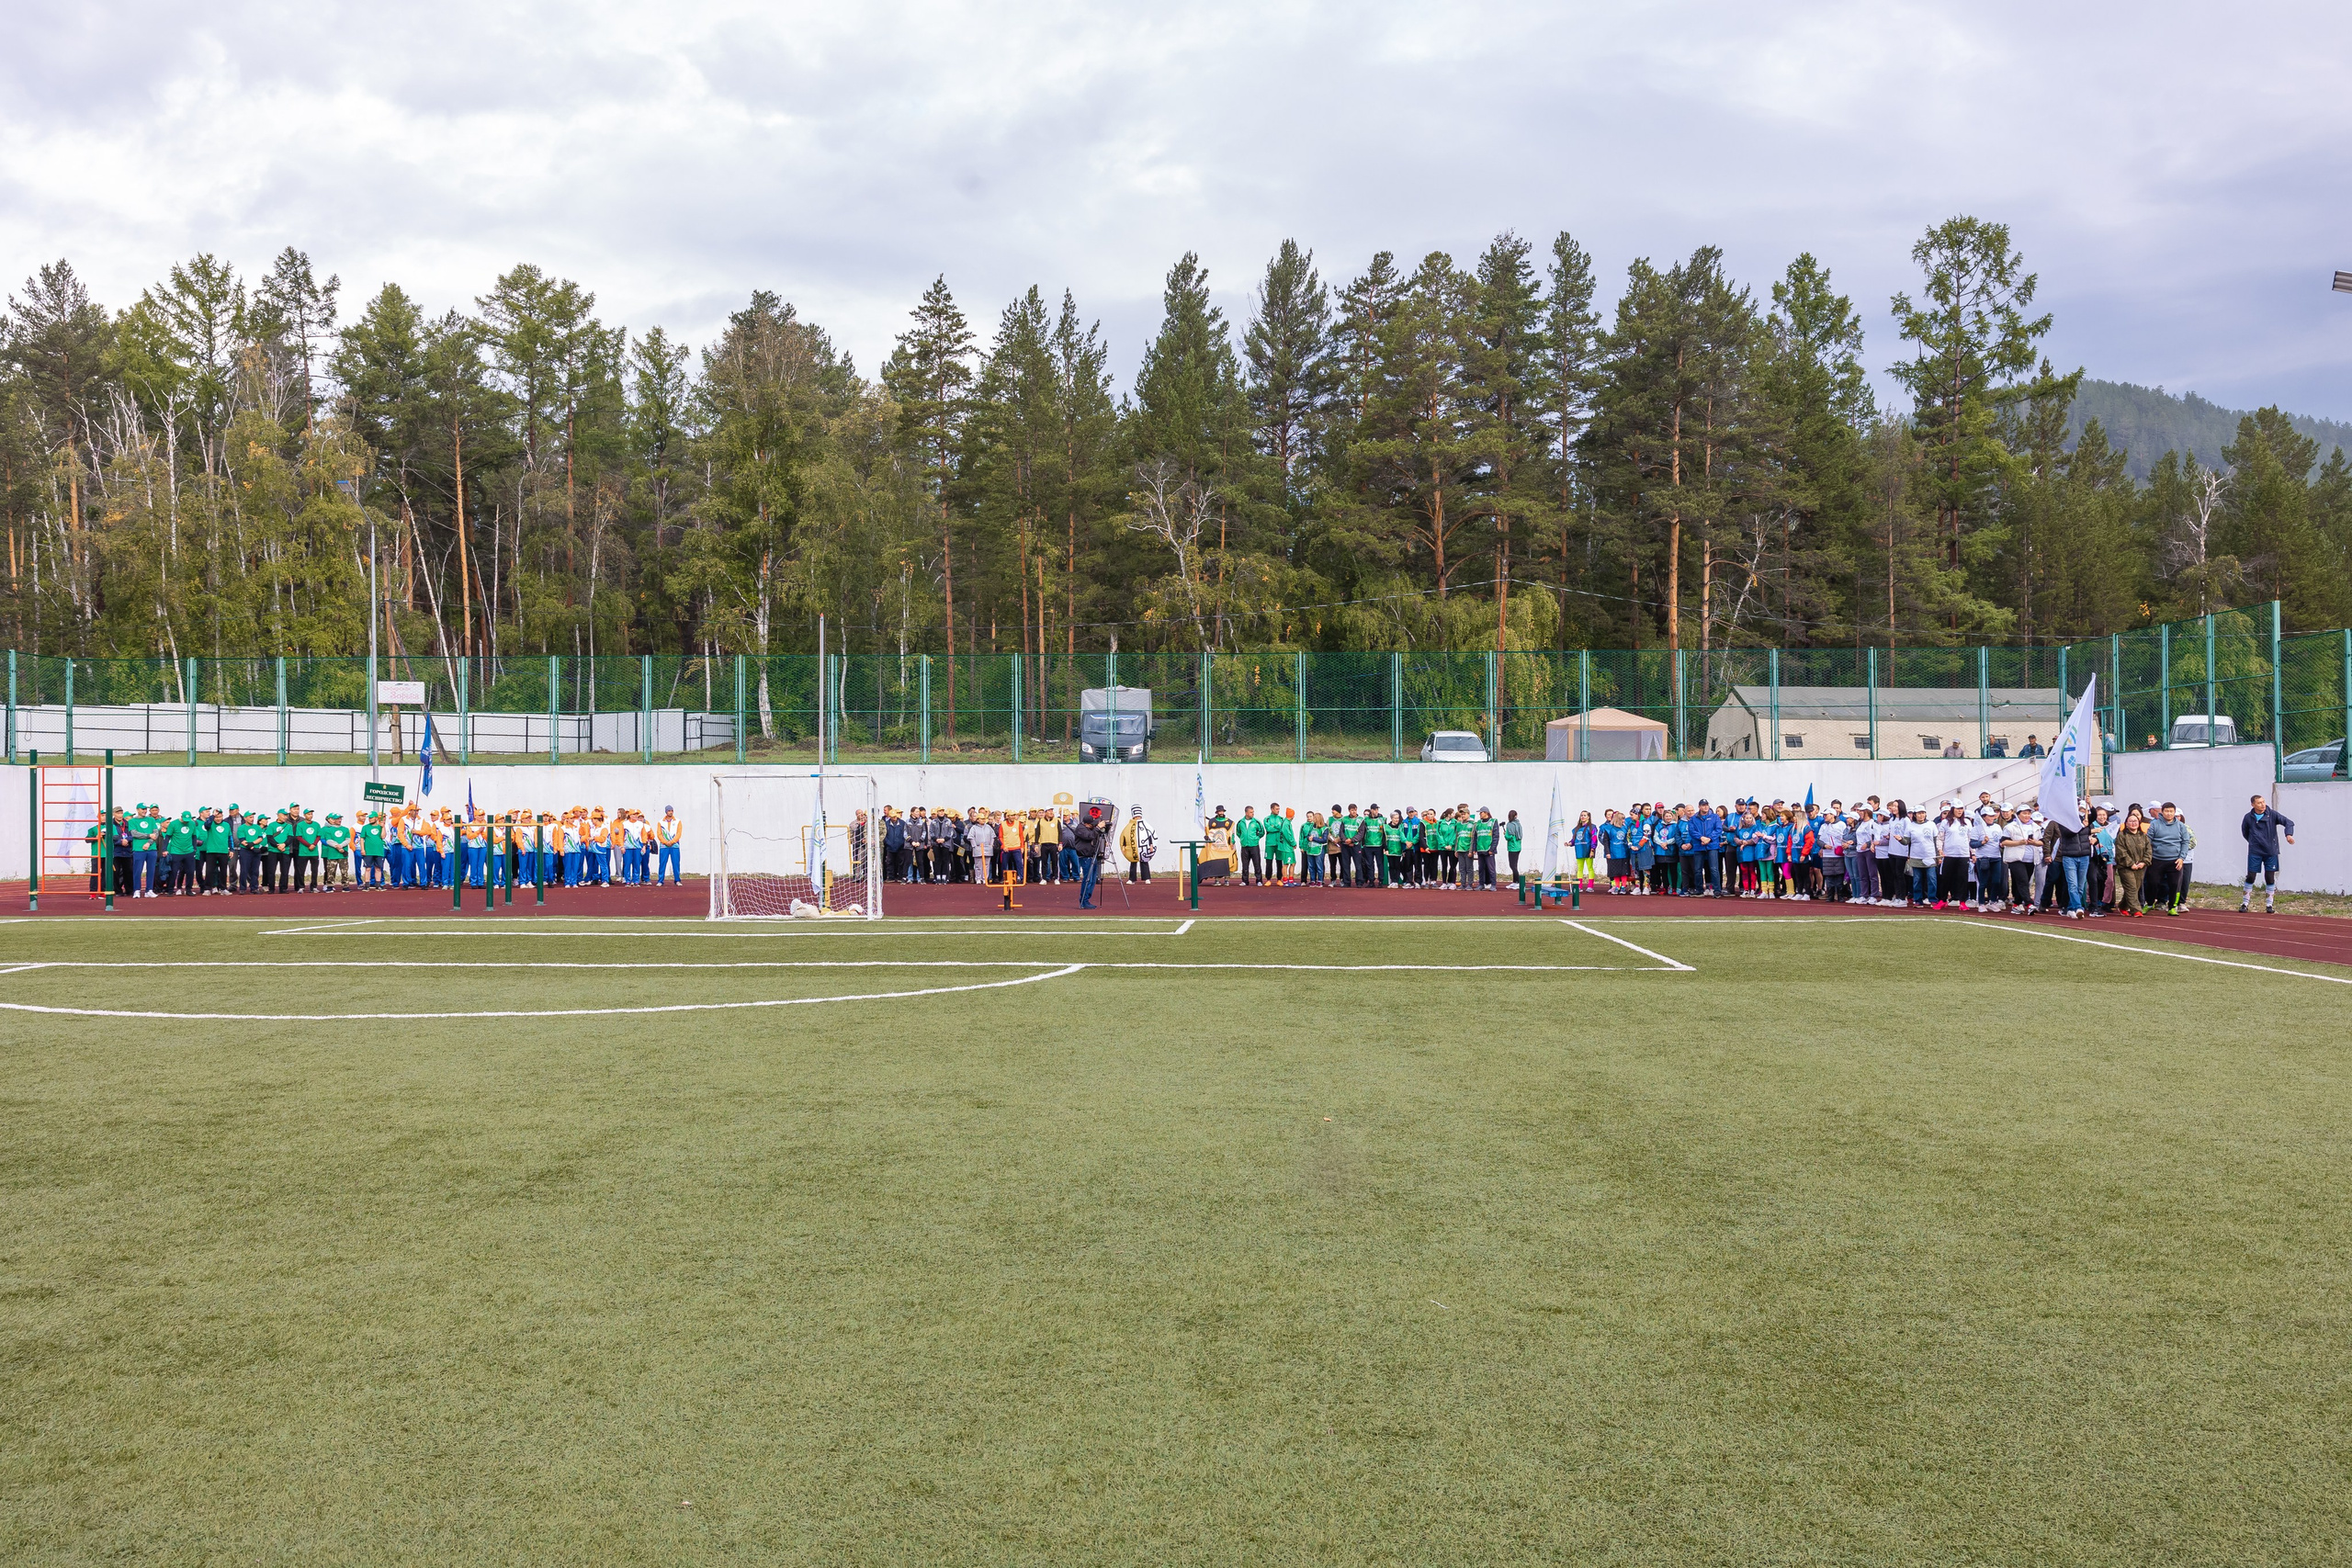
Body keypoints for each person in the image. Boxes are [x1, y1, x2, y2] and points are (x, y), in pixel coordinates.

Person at [2239, 795, 2296, 914]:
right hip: (2255, 851)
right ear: (2253, 805)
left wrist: (2288, 835)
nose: (2263, 804)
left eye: (2263, 802)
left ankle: (2269, 905)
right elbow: (2245, 831)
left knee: (2270, 877)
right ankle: (2245, 903)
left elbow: (2288, 822)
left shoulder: (2272, 814)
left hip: (2271, 851)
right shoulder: (2248, 817)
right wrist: (2253, 841)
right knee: (2251, 876)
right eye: (2259, 803)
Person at [2147, 803, 2189, 916]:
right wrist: (2149, 856)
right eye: (2167, 811)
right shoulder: (2154, 824)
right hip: (2157, 859)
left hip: (2175, 860)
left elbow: (2185, 842)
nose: (2169, 813)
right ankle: (2150, 903)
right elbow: (2148, 841)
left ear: (2174, 812)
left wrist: (2181, 858)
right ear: (2162, 812)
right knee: (2153, 882)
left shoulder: (2181, 826)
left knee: (2175, 884)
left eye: (2171, 811)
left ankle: (2172, 907)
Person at [2112, 807, 2151, 917]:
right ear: (2127, 823)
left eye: (2135, 821)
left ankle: (2123, 906)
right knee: (2132, 887)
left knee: (2134, 888)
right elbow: (2121, 851)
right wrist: (2131, 864)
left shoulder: (2143, 836)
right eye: (2131, 821)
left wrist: (2144, 862)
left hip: (2140, 867)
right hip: (2125, 867)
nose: (2133, 823)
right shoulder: (2122, 836)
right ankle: (2136, 910)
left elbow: (2149, 850)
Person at [1071, 806, 1104, 909]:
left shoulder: (1089, 828)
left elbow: (1093, 834)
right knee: (1088, 879)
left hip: (1092, 856)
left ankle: (1087, 899)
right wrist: (1098, 828)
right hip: (1085, 857)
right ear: (1086, 824)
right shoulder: (1080, 829)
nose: (1093, 826)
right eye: (1092, 825)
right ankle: (1083, 901)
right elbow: (1089, 836)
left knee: (1093, 880)